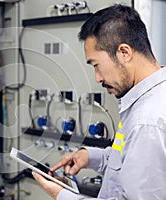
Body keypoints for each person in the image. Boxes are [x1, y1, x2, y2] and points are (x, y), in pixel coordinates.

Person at [32, 4, 166, 200]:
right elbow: (127, 161)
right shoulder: (145, 101)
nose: (97, 78)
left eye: (96, 65)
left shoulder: (146, 122)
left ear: (124, 53)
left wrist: (61, 196)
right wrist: (90, 156)